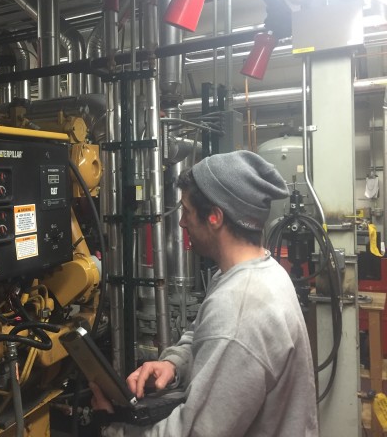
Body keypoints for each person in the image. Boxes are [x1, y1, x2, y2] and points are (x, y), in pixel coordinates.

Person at [90, 150, 318, 436]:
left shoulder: (240, 310)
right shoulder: (252, 273)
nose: (183, 223)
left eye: (186, 210)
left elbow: (194, 432)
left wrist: (111, 427)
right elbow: (199, 336)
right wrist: (173, 364)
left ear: (215, 217)